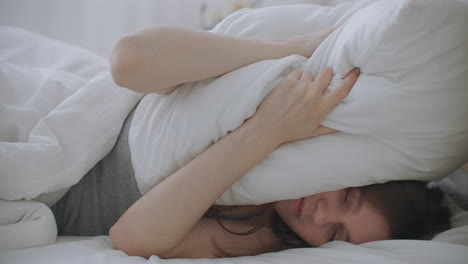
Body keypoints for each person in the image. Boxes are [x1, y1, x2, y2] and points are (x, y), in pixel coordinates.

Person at [50, 26, 452, 259]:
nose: (319, 216)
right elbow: (128, 61)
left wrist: (267, 131)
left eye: (335, 236)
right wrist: (296, 47)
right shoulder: (275, 90)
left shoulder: (265, 230)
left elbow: (128, 239)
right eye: (346, 199)